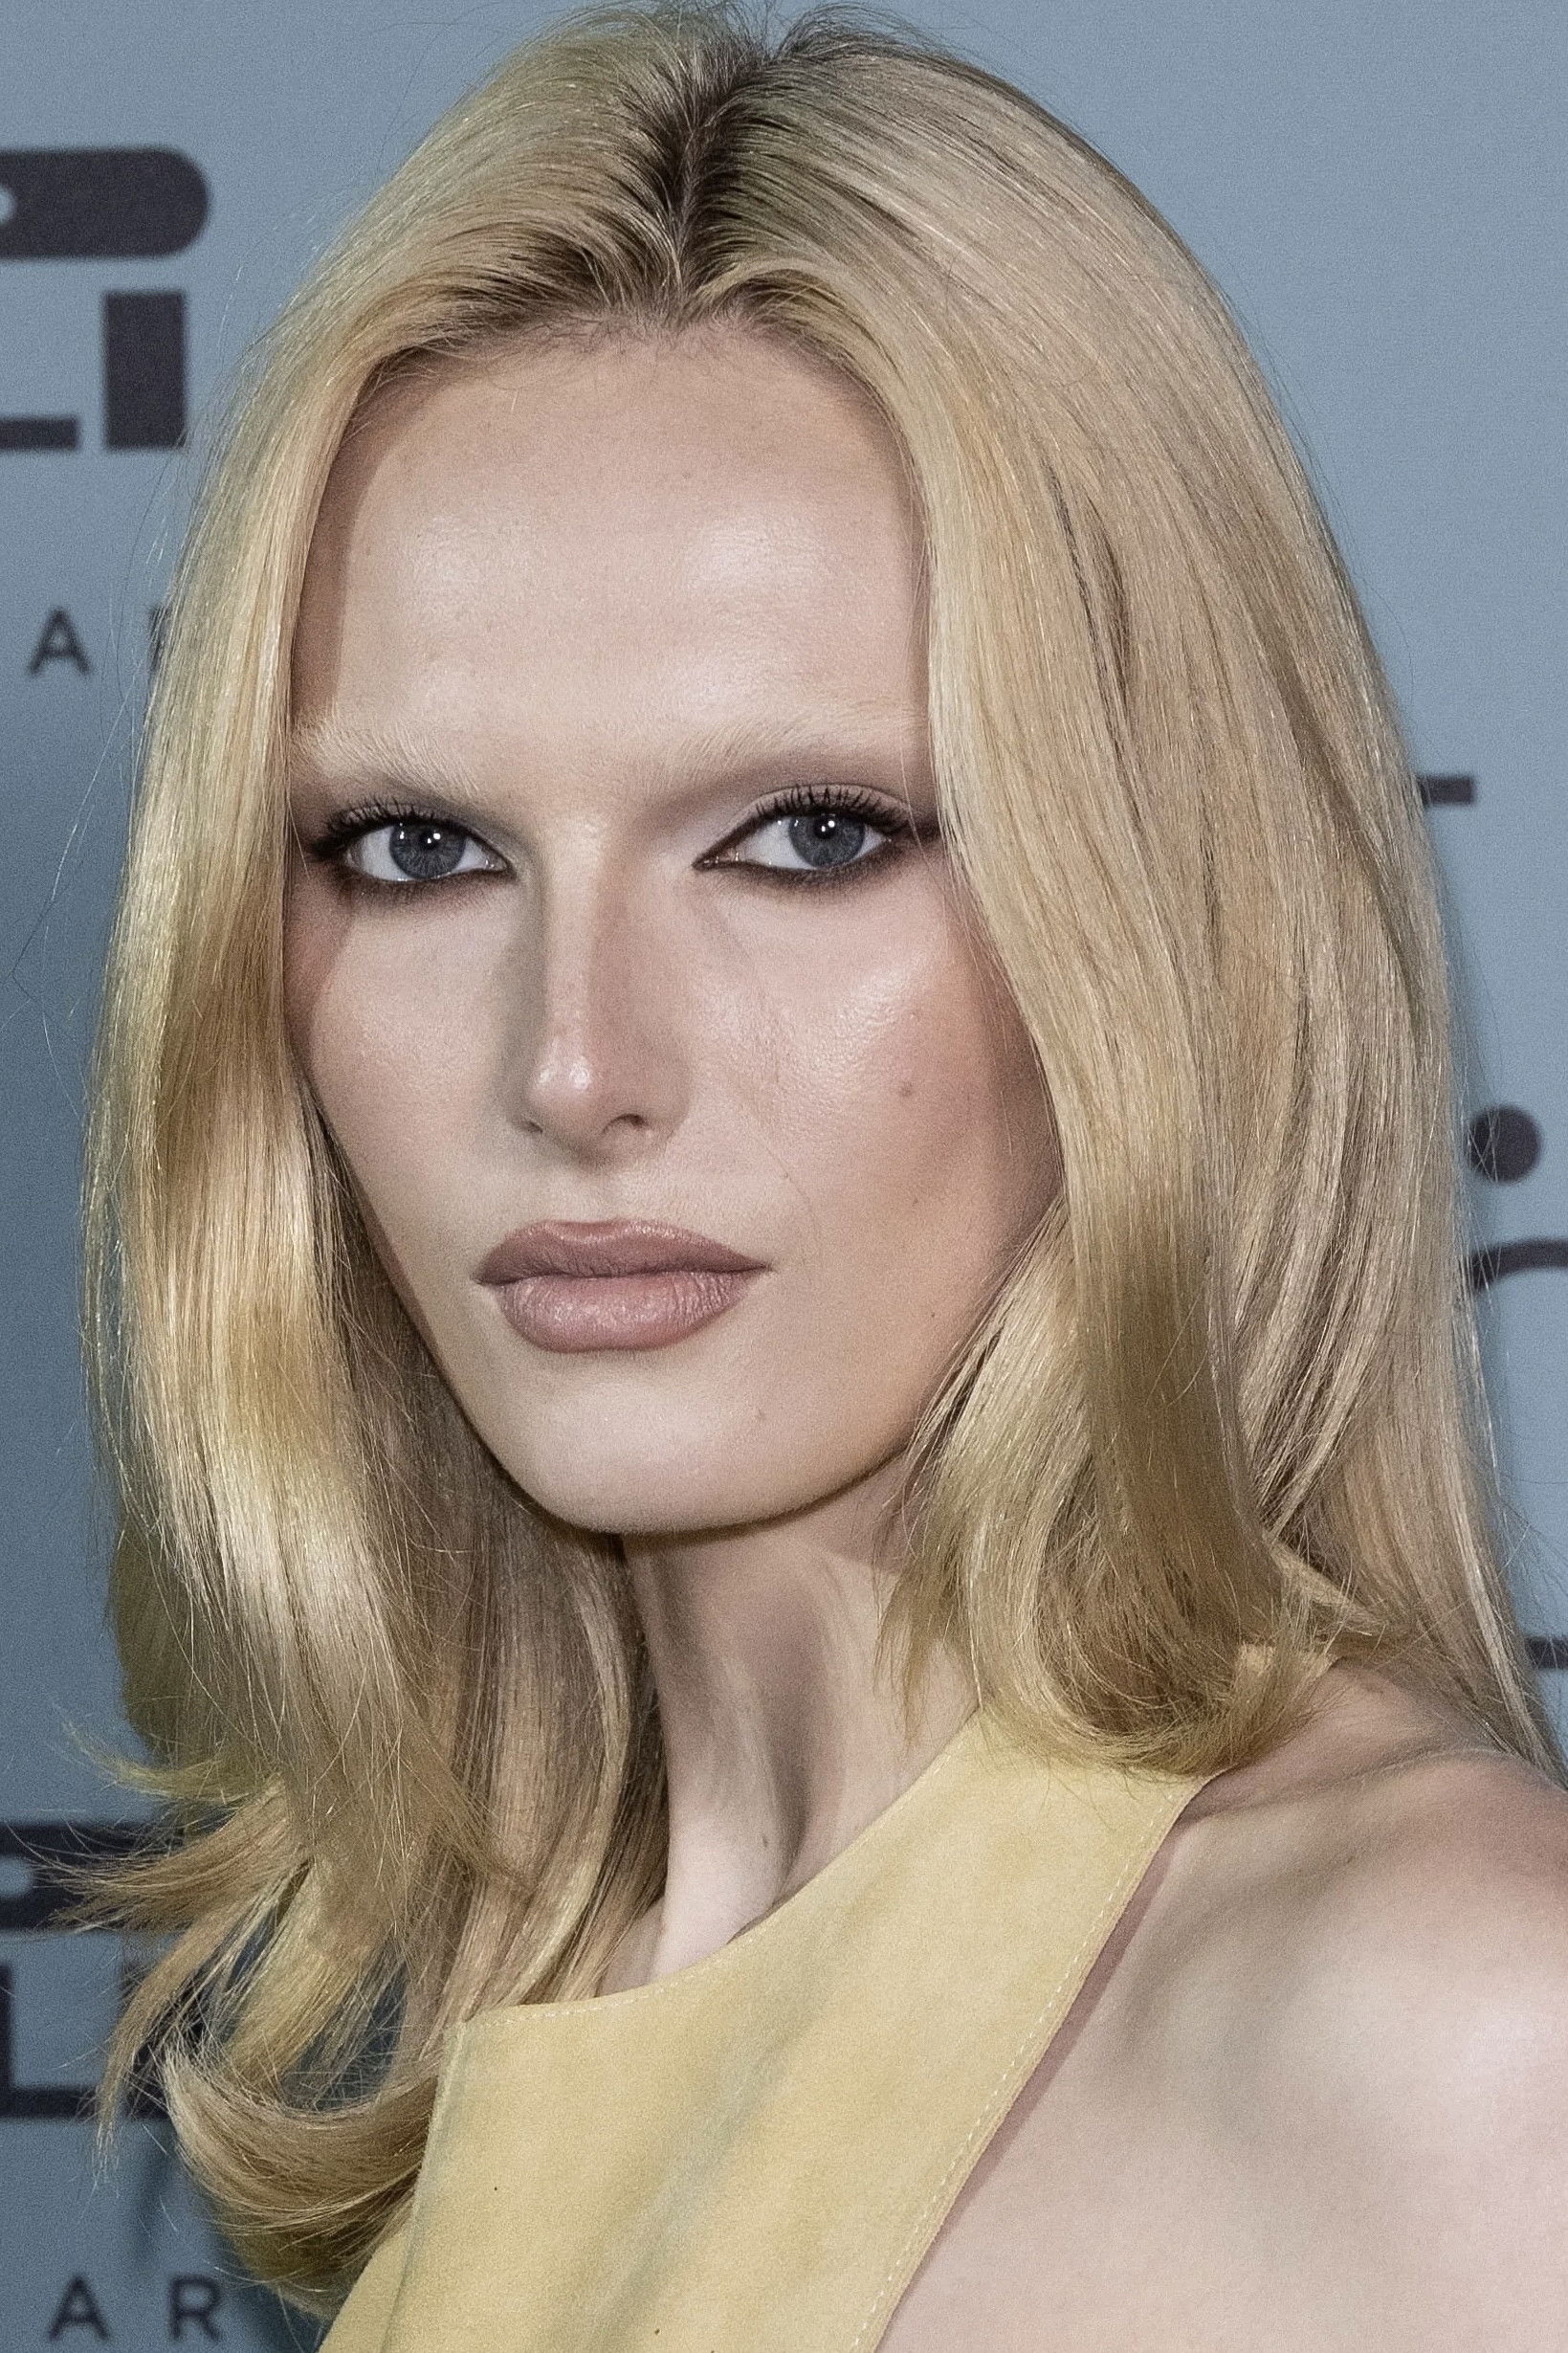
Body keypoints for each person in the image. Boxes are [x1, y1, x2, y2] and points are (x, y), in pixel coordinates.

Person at [82, 5, 1568, 2346]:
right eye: (419, 848)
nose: (576, 1065)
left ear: (1161, 922)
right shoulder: (534, 2051)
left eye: (807, 837)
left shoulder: (1457, 2049)